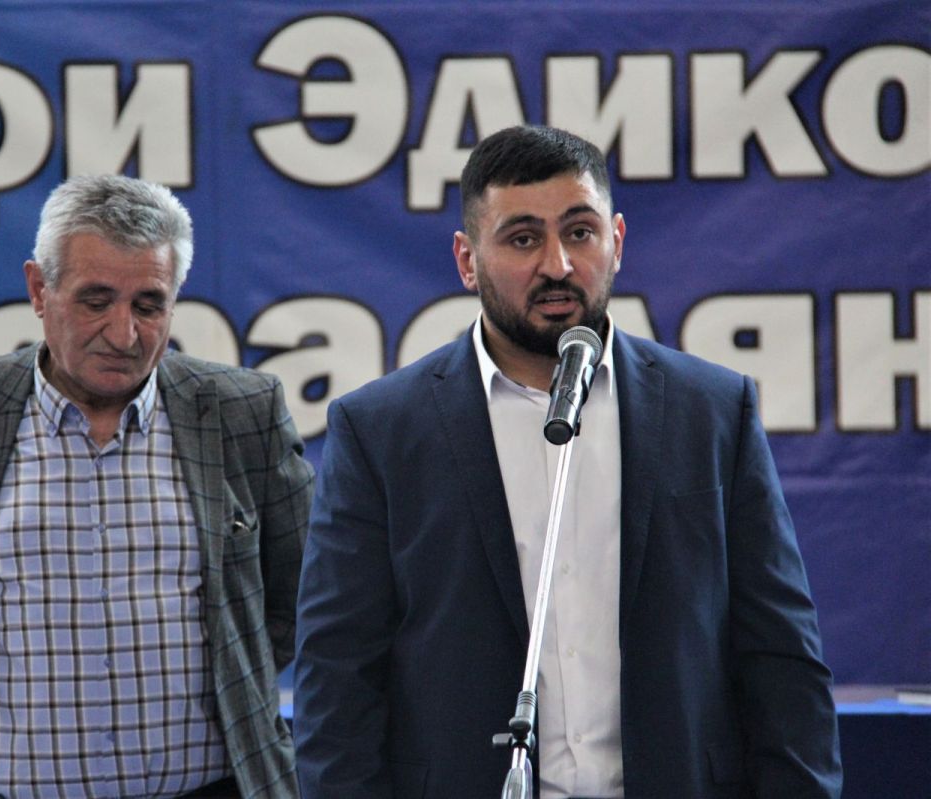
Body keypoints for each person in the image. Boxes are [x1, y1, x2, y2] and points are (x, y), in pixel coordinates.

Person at [293, 125, 842, 798]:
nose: (557, 264)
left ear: (618, 241)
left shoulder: (711, 411)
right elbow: (338, 677)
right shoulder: (380, 431)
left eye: (580, 233)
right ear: (467, 260)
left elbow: (782, 658)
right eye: (523, 239)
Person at [0, 175, 314, 799]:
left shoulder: (242, 411)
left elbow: (307, 590)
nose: (124, 334)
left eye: (148, 305)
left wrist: (238, 679)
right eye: (96, 301)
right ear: (39, 291)